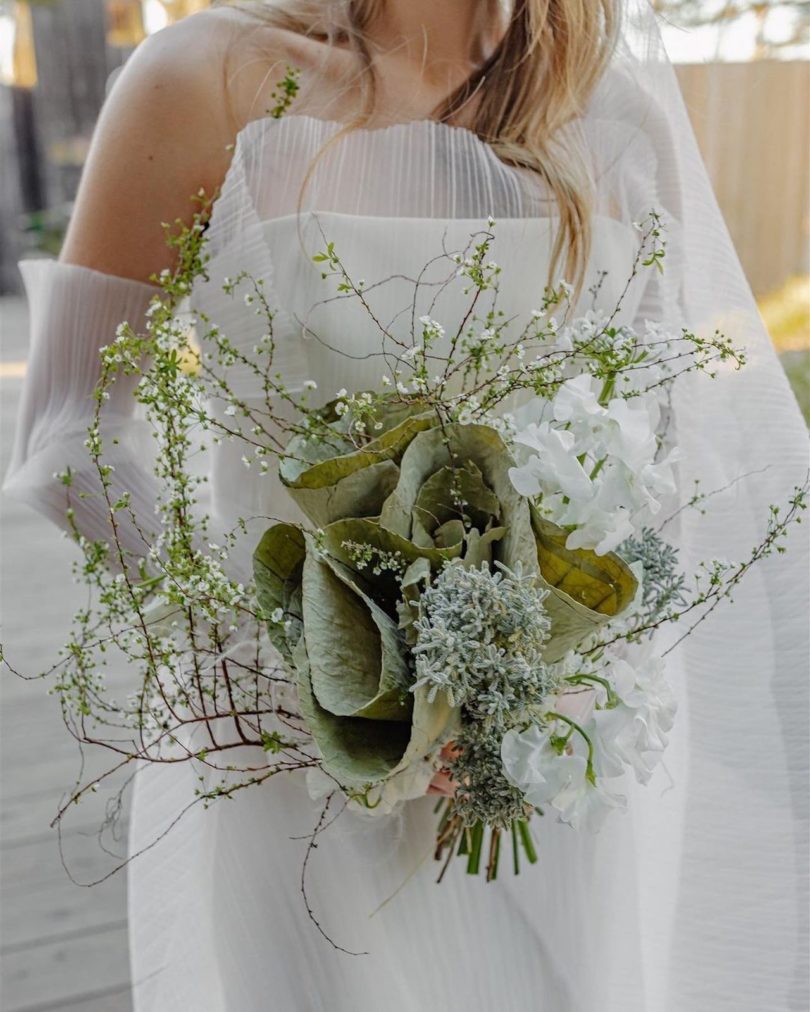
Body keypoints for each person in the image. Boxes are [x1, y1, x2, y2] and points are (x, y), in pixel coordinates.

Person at [4, 1, 808, 1009]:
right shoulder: (205, 80)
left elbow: (661, 457)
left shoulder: (614, 115)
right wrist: (287, 679)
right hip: (303, 772)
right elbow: (71, 437)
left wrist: (558, 678)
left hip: (546, 774)